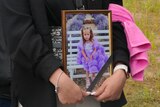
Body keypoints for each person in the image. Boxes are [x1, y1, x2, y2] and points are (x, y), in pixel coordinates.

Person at [0, 0, 130, 107]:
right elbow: (19, 34)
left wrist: (121, 69)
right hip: (43, 89)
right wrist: (57, 77)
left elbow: (118, 22)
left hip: (100, 92)